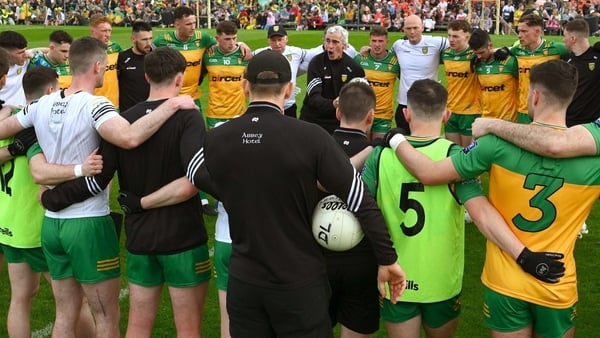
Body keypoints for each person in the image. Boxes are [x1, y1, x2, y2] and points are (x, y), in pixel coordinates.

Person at [186, 50, 406, 336]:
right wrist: (387, 259)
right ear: (290, 89)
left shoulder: (218, 137)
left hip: (245, 282)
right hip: (299, 283)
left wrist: (235, 191)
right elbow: (360, 201)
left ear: (244, 85)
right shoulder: (311, 137)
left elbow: (194, 170)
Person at [0, 36, 197, 338]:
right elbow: (129, 137)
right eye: (104, 67)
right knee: (105, 317)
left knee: (64, 314)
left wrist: (20, 131)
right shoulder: (96, 105)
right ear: (97, 66)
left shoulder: (41, 104)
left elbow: (4, 129)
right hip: (87, 222)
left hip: (52, 226)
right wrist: (171, 105)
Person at [389, 60, 587, 337]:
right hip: (558, 281)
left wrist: (395, 139)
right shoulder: (593, 158)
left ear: (535, 96)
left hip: (505, 282)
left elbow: (430, 173)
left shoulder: (495, 145)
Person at [0, 65, 98, 338]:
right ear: (51, 90)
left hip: (8, 223)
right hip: (36, 225)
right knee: (74, 302)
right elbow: (42, 170)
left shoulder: (11, 118)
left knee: (20, 298)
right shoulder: (40, 124)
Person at [300, 25, 365, 134]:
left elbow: (361, 99)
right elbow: (314, 98)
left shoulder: (354, 68)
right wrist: (333, 104)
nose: (330, 46)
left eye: (335, 42)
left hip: (338, 122)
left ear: (344, 45)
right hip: (313, 120)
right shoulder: (316, 63)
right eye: (328, 41)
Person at [390, 14, 448, 134]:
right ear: (404, 29)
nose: (412, 32)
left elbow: (460, 46)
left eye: (415, 28)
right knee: (404, 142)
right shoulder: (398, 45)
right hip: (404, 103)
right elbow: (385, 58)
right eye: (408, 28)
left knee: (425, 143)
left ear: (422, 27)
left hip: (427, 103)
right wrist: (367, 50)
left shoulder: (436, 42)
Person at [512, 14, 568, 123]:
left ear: (537, 31)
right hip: (523, 111)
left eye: (524, 31)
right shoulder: (516, 52)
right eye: (519, 31)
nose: (519, 35)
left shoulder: (556, 49)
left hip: (547, 112)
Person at [354, 26, 399, 140]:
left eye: (380, 41)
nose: (377, 44)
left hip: (383, 115)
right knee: (362, 149)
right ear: (369, 41)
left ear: (387, 42)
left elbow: (407, 81)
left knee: (377, 149)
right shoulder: (360, 59)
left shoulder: (395, 63)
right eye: (374, 41)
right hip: (362, 113)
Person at [201, 20, 248, 128]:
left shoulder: (244, 55)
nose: (232, 42)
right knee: (215, 145)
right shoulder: (208, 55)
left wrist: (241, 44)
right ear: (217, 39)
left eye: (234, 38)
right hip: (214, 114)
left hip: (239, 113)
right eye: (227, 39)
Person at [442, 20, 481, 147]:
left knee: (466, 153)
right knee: (452, 153)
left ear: (467, 37)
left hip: (470, 112)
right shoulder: (446, 54)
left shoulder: (476, 56)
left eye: (455, 36)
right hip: (450, 111)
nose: (451, 39)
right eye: (449, 36)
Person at [254, 25, 307, 118]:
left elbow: (314, 53)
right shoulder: (260, 54)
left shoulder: (296, 52)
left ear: (286, 39)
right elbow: (244, 56)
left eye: (280, 39)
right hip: (268, 106)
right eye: (273, 40)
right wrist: (241, 44)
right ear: (268, 41)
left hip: (289, 106)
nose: (277, 43)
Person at [468, 29, 518, 121]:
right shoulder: (477, 63)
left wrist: (507, 49)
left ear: (490, 46)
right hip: (486, 118)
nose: (478, 56)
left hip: (508, 120)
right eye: (476, 53)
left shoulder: (509, 62)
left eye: (481, 52)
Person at [562, 19, 600, 127]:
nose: (563, 40)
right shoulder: (567, 60)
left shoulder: (597, 58)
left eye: (565, 36)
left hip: (590, 126)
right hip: (567, 122)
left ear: (573, 39)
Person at [117, 21, 153, 112]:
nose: (149, 43)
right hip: (128, 114)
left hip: (150, 112)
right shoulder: (122, 58)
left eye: (150, 38)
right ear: (133, 39)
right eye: (144, 40)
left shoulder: (156, 57)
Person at [90, 13, 123, 108]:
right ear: (93, 31)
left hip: (114, 104)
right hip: (93, 105)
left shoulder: (115, 47)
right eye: (104, 31)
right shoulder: (84, 50)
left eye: (109, 31)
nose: (108, 35)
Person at [0, 30, 31, 107]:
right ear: (5, 53)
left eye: (25, 50)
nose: (25, 55)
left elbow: (48, 51)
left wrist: (33, 54)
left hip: (19, 113)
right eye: (20, 52)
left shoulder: (24, 60)